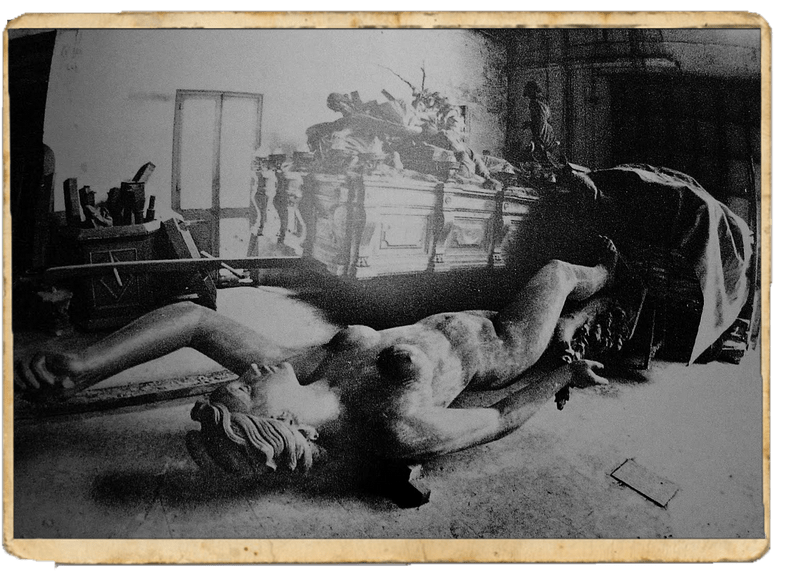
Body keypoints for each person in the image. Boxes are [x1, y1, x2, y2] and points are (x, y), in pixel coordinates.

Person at [15, 239, 621, 478]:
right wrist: (561, 375)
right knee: (558, 272)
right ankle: (608, 275)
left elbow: (194, 321)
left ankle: (580, 311)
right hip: (504, 344)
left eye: (242, 380)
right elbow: (501, 418)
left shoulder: (295, 369)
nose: (250, 373)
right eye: (248, 388)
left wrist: (85, 366)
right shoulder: (394, 427)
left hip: (447, 314)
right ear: (282, 424)